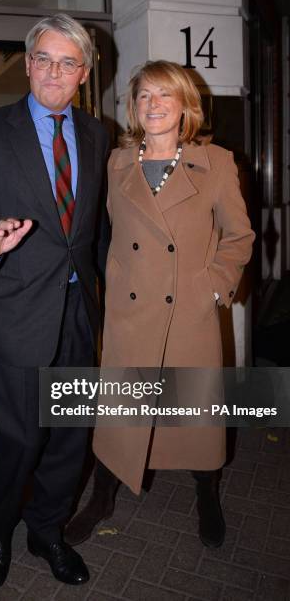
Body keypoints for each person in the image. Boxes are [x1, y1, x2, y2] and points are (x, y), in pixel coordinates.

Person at [0, 14, 110, 588]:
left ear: (82, 74)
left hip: (78, 315)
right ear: (28, 63)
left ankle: (47, 532)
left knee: (69, 437)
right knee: (20, 440)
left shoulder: (97, 134)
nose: (54, 71)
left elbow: (94, 229)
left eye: (68, 62)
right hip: (15, 316)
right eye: (43, 58)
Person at [65, 60, 255, 549]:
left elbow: (239, 236)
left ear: (185, 105)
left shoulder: (216, 163)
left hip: (188, 312)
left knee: (196, 416)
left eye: (165, 95)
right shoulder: (117, 162)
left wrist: (214, 285)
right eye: (144, 96)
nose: (153, 105)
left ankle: (207, 492)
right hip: (132, 314)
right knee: (120, 414)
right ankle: (103, 497)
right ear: (134, 107)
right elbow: (109, 232)